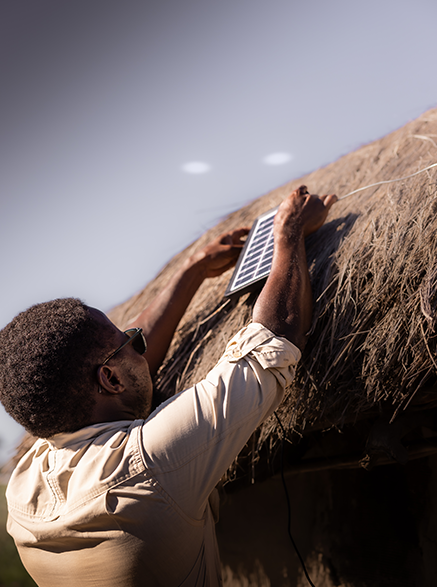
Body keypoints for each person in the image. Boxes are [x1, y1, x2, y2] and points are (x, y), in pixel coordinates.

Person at [1, 186, 336, 587]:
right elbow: (274, 337)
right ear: (109, 378)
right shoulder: (151, 464)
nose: (141, 347)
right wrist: (290, 232)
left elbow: (118, 372)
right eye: (132, 344)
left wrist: (193, 270)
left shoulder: (24, 487)